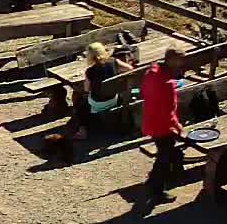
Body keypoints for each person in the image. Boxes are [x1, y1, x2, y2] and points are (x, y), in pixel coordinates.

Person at [141, 46, 186, 203]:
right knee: (164, 158)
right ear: (172, 60)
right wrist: (177, 125)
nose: (182, 63)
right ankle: (157, 191)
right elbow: (168, 109)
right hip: (162, 125)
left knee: (163, 154)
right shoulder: (165, 82)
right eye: (180, 60)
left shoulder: (151, 73)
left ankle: (152, 180)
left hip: (150, 119)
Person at [73, 42, 132, 140]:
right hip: (114, 98)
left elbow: (86, 90)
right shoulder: (114, 61)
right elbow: (130, 69)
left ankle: (83, 130)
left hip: (98, 103)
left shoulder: (90, 71)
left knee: (80, 103)